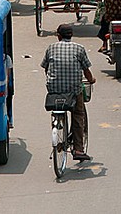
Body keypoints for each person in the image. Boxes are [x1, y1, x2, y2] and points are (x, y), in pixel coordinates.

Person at [42, 24, 95, 162]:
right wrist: (91, 80)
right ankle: (78, 149)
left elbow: (46, 68)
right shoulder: (79, 48)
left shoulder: (51, 48)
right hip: (73, 90)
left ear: (58, 36)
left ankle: (57, 122)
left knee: (57, 108)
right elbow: (86, 70)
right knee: (78, 114)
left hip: (54, 89)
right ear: (71, 35)